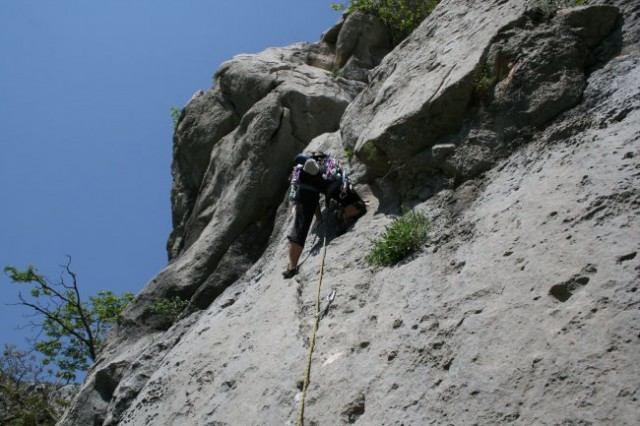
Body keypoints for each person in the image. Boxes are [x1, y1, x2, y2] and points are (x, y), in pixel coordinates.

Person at [283, 151, 366, 279]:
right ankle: (343, 214)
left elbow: (313, 199)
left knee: (301, 225)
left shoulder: (299, 171)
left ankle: (292, 267)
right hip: (327, 177)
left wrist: (318, 218)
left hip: (304, 183)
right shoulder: (328, 161)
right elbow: (341, 178)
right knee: (359, 205)